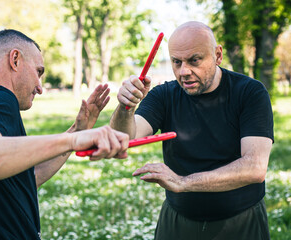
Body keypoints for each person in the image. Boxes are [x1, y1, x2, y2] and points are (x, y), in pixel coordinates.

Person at [0, 29, 129, 239]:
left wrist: (76, 132)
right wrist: (73, 139)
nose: (40, 87)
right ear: (15, 60)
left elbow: (23, 179)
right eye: (39, 71)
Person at [110, 21, 273, 240]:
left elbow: (255, 167)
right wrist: (125, 107)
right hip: (178, 219)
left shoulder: (249, 92)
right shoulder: (164, 95)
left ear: (217, 55)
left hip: (241, 219)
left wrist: (182, 182)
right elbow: (125, 136)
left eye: (194, 60)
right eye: (176, 62)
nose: (184, 71)